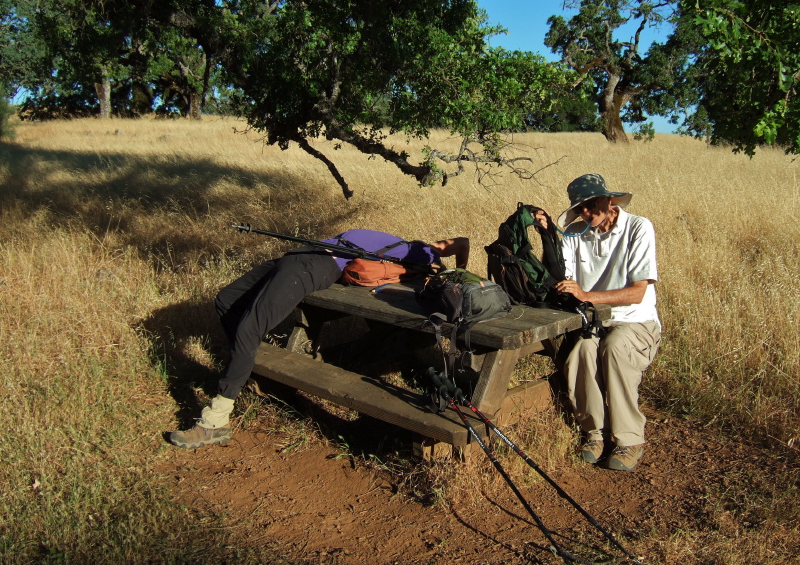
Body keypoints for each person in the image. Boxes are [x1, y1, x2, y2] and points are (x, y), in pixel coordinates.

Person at [168, 229, 470, 449]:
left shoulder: (409, 258)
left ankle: (215, 420)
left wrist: (438, 272)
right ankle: (243, 364)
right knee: (227, 299)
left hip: (315, 265)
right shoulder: (420, 252)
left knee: (250, 328)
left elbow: (458, 243)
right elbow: (461, 243)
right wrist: (458, 269)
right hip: (302, 255)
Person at [537, 173, 660, 471]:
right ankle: (594, 433)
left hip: (636, 322)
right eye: (581, 208)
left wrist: (587, 295)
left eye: (592, 205)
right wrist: (547, 234)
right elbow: (558, 274)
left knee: (615, 347)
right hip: (593, 322)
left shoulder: (638, 227)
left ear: (609, 200)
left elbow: (637, 292)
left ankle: (629, 439)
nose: (587, 213)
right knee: (582, 351)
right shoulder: (575, 233)